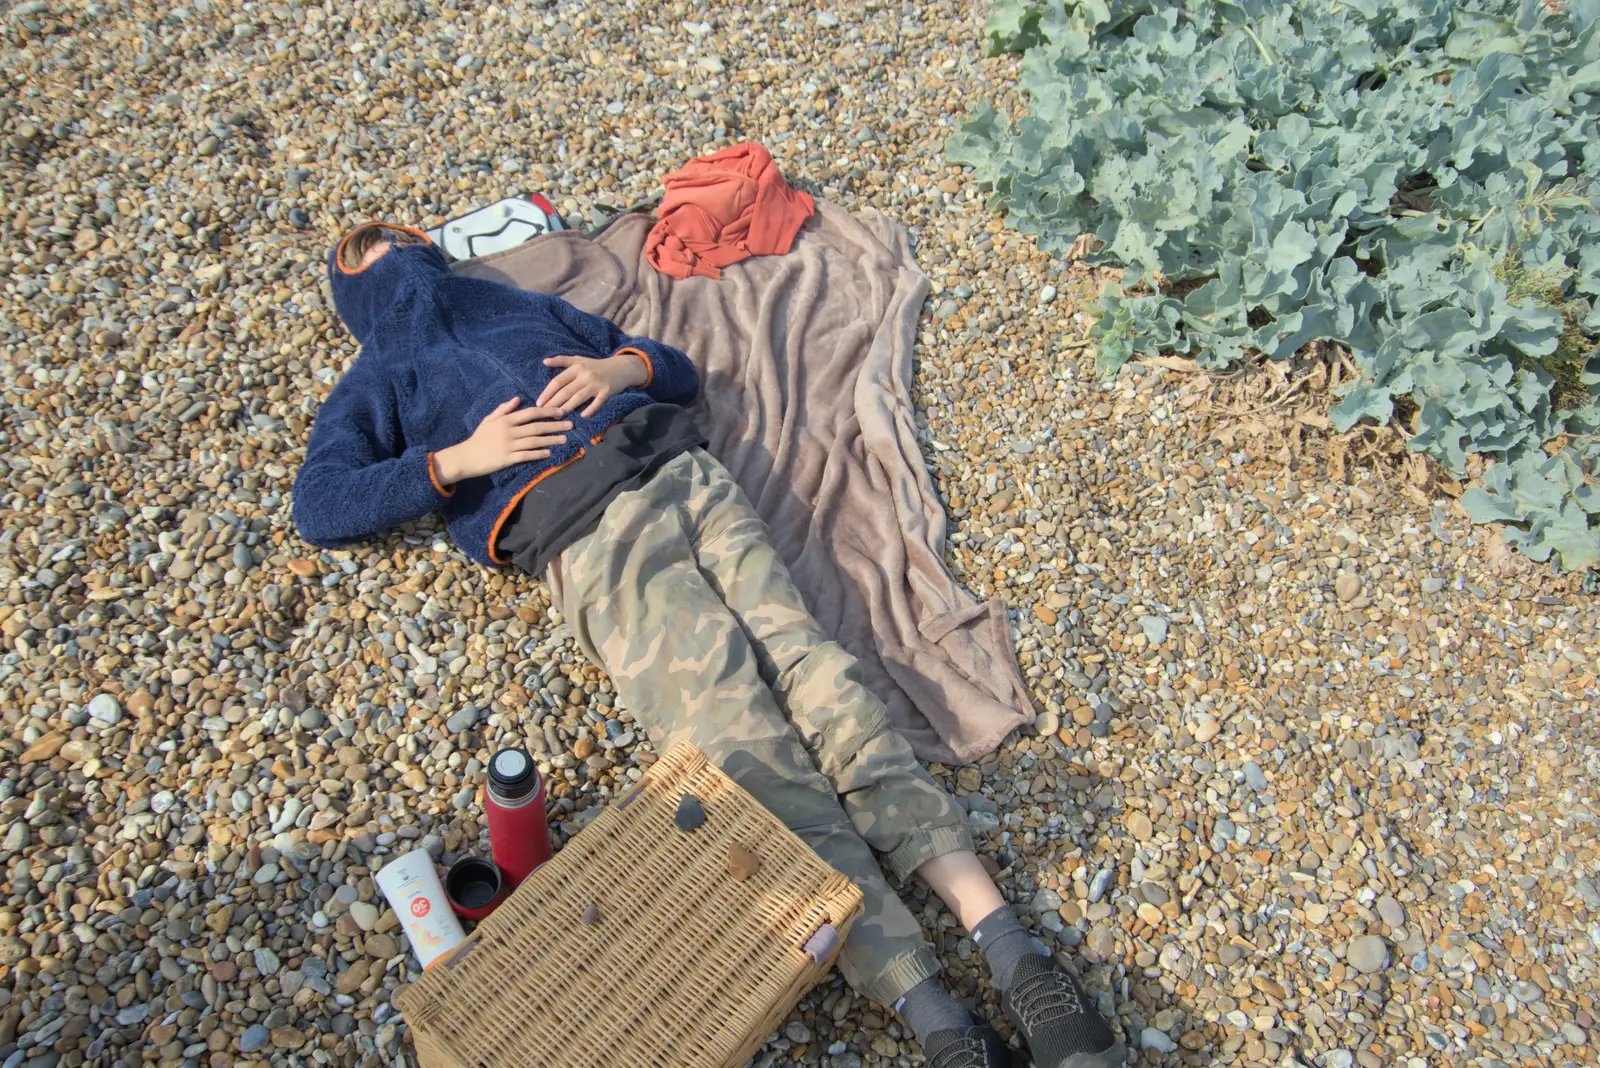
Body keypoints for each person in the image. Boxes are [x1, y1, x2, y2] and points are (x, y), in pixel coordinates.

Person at [293, 221, 1124, 1068]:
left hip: (687, 477)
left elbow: (671, 366)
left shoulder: (512, 302)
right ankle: (931, 1009)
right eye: (368, 247)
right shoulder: (377, 380)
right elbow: (320, 504)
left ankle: (1012, 950)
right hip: (590, 543)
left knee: (821, 677)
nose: (396, 249)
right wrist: (456, 461)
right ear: (348, 282)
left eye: (401, 235)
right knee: (743, 751)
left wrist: (621, 369)